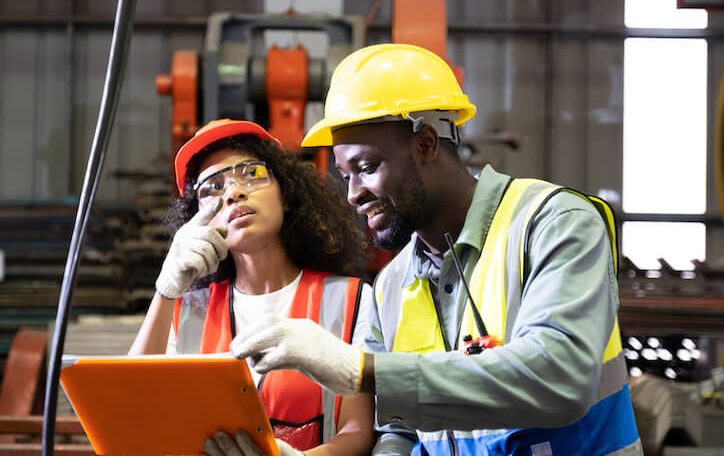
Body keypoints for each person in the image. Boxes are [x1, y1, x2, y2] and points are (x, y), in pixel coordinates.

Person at [227, 44, 643, 456]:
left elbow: (560, 379)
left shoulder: (552, 223)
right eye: (345, 174)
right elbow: (400, 431)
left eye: (367, 168)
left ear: (426, 143)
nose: (353, 194)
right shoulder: (392, 284)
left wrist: (358, 370)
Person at [129, 119, 376, 456]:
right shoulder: (184, 311)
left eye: (251, 173)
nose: (233, 192)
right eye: (212, 188)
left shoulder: (351, 298)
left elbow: (357, 432)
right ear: (198, 218)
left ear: (286, 194)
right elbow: (133, 408)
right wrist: (166, 289)